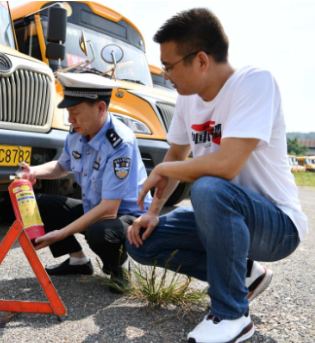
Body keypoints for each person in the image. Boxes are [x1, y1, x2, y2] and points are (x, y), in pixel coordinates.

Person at [126, 8, 308, 343]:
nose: (165, 74)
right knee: (140, 241)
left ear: (201, 60)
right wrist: (151, 213)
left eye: (169, 66)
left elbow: (226, 166)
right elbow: (176, 155)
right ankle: (245, 276)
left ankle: (231, 314)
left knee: (208, 188)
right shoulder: (186, 99)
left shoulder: (255, 82)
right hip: (225, 218)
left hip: (277, 225)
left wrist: (165, 169)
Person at [20, 72, 151, 293]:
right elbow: (62, 166)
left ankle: (120, 268)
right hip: (96, 207)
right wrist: (32, 172)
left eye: (75, 112)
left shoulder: (120, 143)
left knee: (100, 232)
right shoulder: (79, 132)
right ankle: (78, 261)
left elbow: (109, 210)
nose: (70, 119)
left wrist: (60, 233)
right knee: (39, 203)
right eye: (69, 112)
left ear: (100, 108)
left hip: (125, 216)